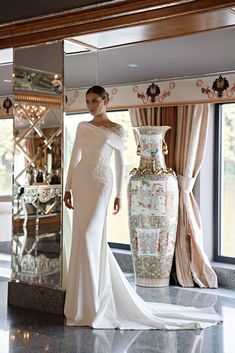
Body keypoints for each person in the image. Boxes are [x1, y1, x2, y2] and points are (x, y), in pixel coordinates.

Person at [63, 85, 222, 330]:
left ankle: (94, 301)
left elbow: (120, 160)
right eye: (88, 101)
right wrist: (67, 187)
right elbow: (75, 156)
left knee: (88, 236)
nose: (91, 106)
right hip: (82, 181)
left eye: (95, 101)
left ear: (106, 101)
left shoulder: (116, 129)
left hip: (101, 183)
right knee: (82, 237)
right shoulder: (83, 127)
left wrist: (118, 195)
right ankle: (83, 302)